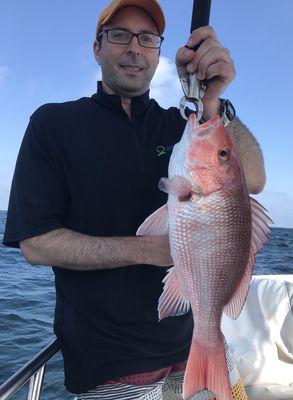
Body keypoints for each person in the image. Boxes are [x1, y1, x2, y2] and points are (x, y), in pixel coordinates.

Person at [3, 0, 266, 399]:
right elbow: (35, 243)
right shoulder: (52, 124)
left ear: (158, 51)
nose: (134, 48)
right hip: (111, 369)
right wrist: (148, 250)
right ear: (97, 48)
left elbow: (255, 180)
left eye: (147, 38)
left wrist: (213, 101)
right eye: (119, 35)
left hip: (198, 342)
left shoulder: (182, 125)